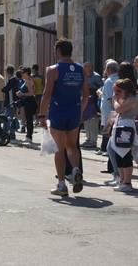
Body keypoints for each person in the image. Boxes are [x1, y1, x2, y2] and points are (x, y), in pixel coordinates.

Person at [39, 37, 89, 196]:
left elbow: (46, 94)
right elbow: (86, 95)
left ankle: (61, 185)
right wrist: (80, 110)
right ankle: (75, 169)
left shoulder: (53, 69)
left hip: (58, 112)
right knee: (72, 146)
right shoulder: (81, 69)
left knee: (59, 150)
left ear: (59, 51)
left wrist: (41, 115)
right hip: (74, 112)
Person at [110, 79, 138, 192]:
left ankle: (127, 182)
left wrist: (115, 100)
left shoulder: (132, 99)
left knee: (125, 155)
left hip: (126, 126)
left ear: (125, 90)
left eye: (118, 91)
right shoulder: (128, 98)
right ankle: (122, 181)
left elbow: (118, 109)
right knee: (118, 155)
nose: (117, 94)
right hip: (121, 126)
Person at [81, 61, 104, 148]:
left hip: (92, 102)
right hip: (84, 100)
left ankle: (93, 141)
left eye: (85, 66)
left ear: (90, 67)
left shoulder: (96, 76)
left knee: (93, 121)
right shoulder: (82, 76)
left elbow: (102, 86)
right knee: (86, 120)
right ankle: (88, 139)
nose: (84, 68)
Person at [16, 66, 38, 143]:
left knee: (29, 119)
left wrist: (21, 93)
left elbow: (30, 93)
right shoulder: (26, 80)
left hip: (29, 101)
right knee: (28, 118)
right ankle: (28, 136)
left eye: (22, 72)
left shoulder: (29, 81)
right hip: (26, 101)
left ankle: (29, 136)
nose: (21, 74)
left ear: (26, 73)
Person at [2, 64, 19, 139]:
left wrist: (2, 89)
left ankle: (11, 133)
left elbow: (5, 89)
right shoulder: (11, 80)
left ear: (8, 72)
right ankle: (5, 131)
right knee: (6, 117)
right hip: (9, 101)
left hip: (10, 102)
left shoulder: (12, 80)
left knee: (9, 118)